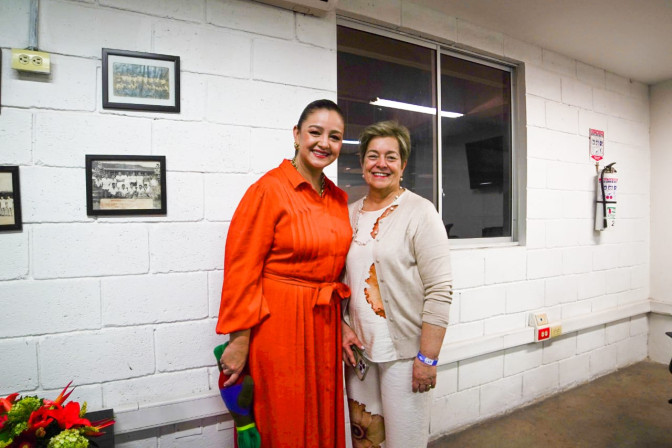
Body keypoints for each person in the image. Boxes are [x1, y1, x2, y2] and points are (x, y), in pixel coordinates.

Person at [216, 99, 352, 447]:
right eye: (315, 132)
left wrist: (342, 323)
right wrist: (239, 340)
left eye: (334, 137)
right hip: (278, 324)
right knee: (285, 417)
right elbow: (242, 269)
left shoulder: (338, 198)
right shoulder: (269, 190)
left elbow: (334, 269)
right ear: (296, 134)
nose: (324, 143)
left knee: (322, 413)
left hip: (324, 324)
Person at [341, 121, 453, 448]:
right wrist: (342, 327)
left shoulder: (420, 212)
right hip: (359, 354)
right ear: (362, 162)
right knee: (366, 439)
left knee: (405, 442)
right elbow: (339, 283)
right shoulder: (348, 214)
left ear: (403, 165)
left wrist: (428, 358)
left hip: (404, 356)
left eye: (391, 157)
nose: (381, 164)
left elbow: (439, 290)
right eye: (373, 155)